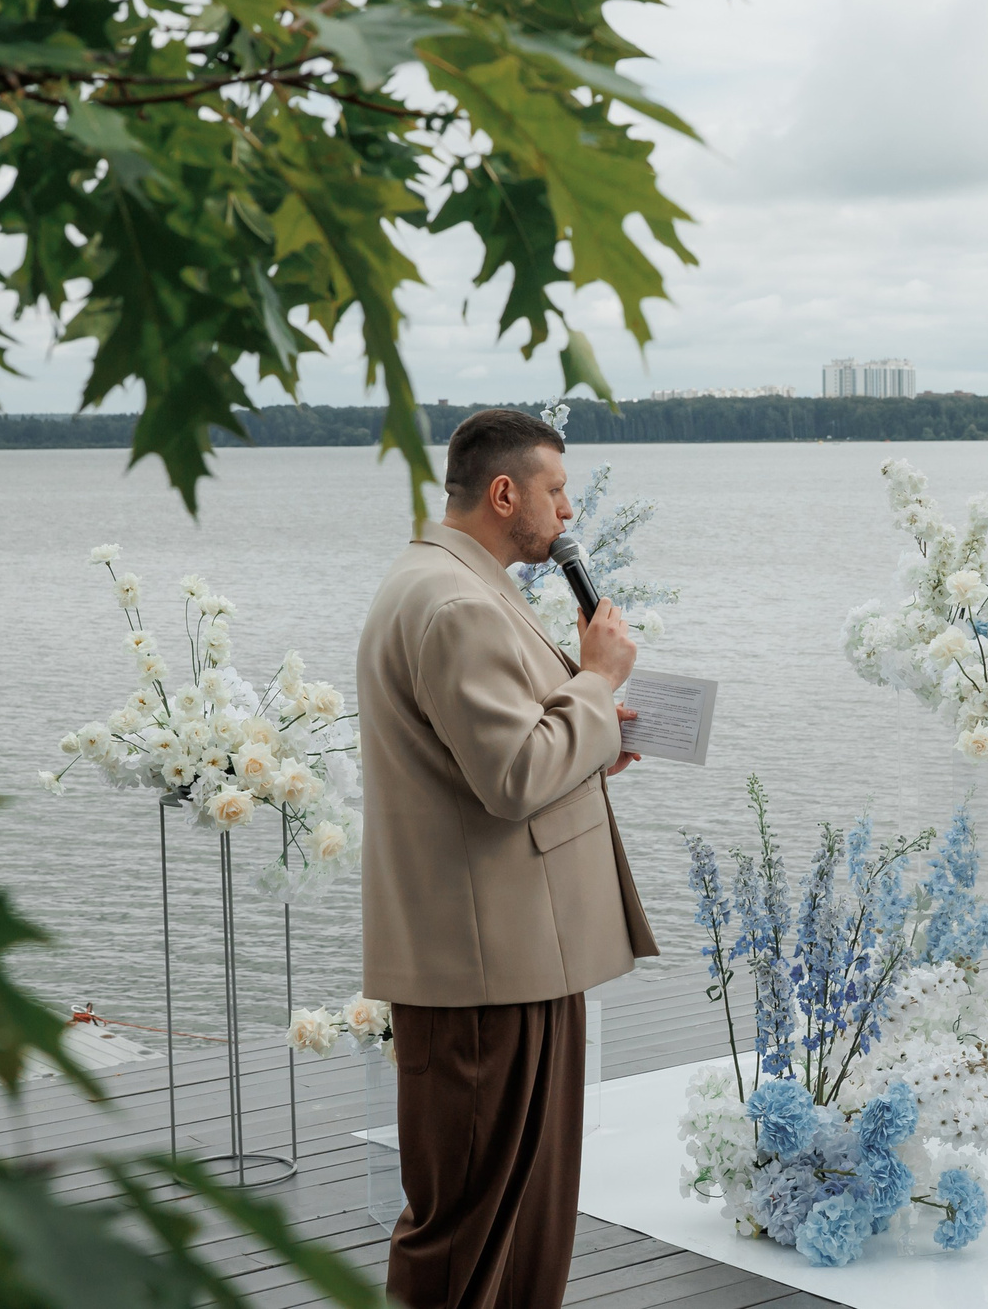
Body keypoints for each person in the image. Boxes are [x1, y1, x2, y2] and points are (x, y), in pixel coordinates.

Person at [356, 408, 659, 1309]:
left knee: (522, 1222)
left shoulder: (459, 582)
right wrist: (597, 683)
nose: (567, 513)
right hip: (484, 969)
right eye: (556, 491)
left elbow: (511, 745)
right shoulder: (452, 602)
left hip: (515, 955)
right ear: (504, 493)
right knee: (465, 1232)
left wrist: (597, 730)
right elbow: (515, 774)